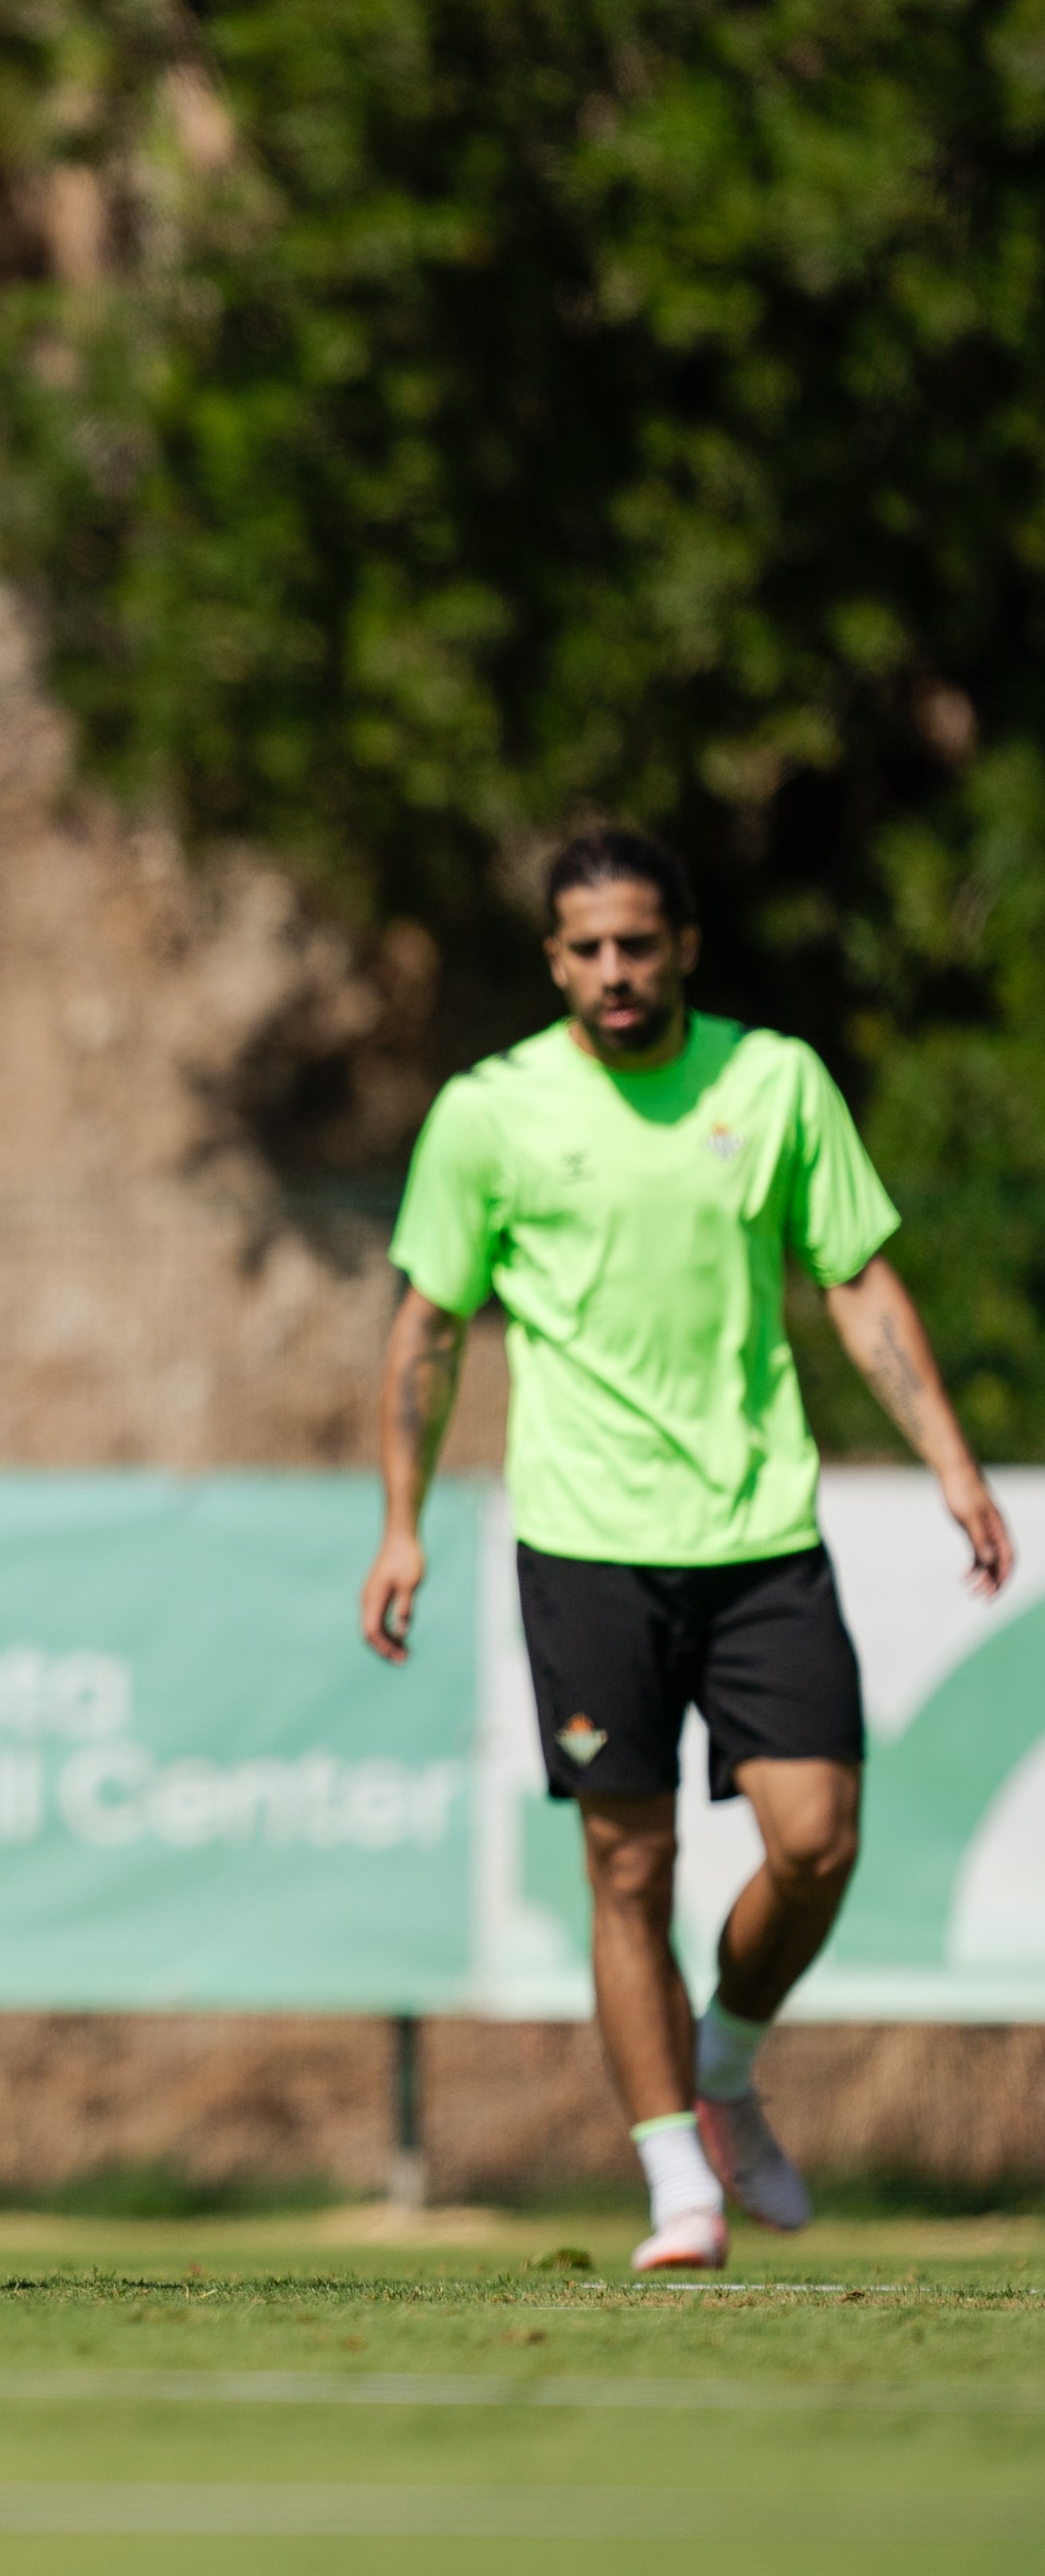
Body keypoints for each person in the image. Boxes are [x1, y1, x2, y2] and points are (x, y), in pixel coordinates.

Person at [361, 826, 1014, 2274]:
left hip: (759, 1529)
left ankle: (724, 2064)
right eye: (586, 948)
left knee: (819, 1836)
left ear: (685, 948)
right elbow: (427, 1327)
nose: (613, 971)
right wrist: (402, 1521)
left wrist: (955, 1466)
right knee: (630, 1867)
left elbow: (857, 1279)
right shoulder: (492, 1113)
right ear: (554, 960)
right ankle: (679, 2185)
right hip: (585, 1543)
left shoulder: (773, 1081)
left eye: (638, 944)